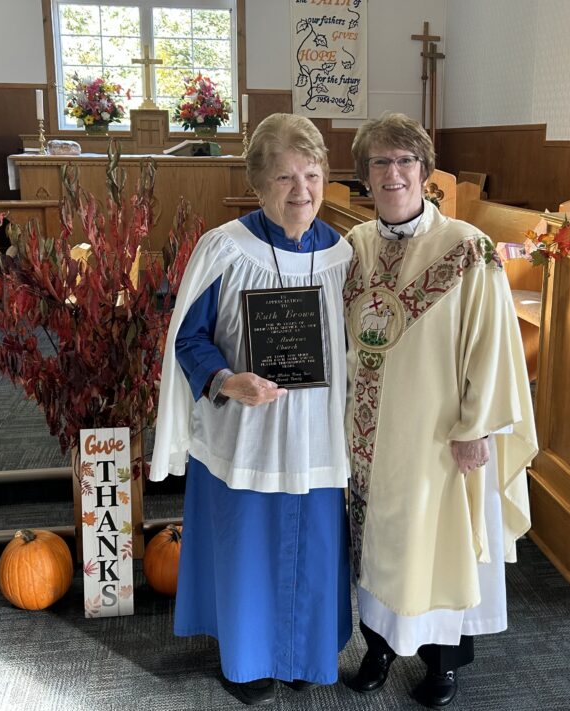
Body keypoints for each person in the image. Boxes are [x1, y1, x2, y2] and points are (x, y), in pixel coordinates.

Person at [150, 113, 353, 706]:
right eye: (286, 178)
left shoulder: (342, 255)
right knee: (249, 551)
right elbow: (188, 339)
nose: (302, 191)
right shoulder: (225, 250)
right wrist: (225, 379)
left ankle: (303, 657)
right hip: (246, 432)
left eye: (312, 175)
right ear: (259, 184)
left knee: (313, 546)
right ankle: (247, 662)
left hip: (315, 437)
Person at [341, 113, 538, 708]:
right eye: (380, 162)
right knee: (377, 543)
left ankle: (442, 664)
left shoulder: (467, 248)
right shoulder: (354, 247)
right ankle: (377, 648)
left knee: (439, 548)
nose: (393, 172)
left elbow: (494, 344)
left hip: (438, 436)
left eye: (405, 161)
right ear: (365, 178)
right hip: (368, 437)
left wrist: (477, 427)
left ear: (425, 173)